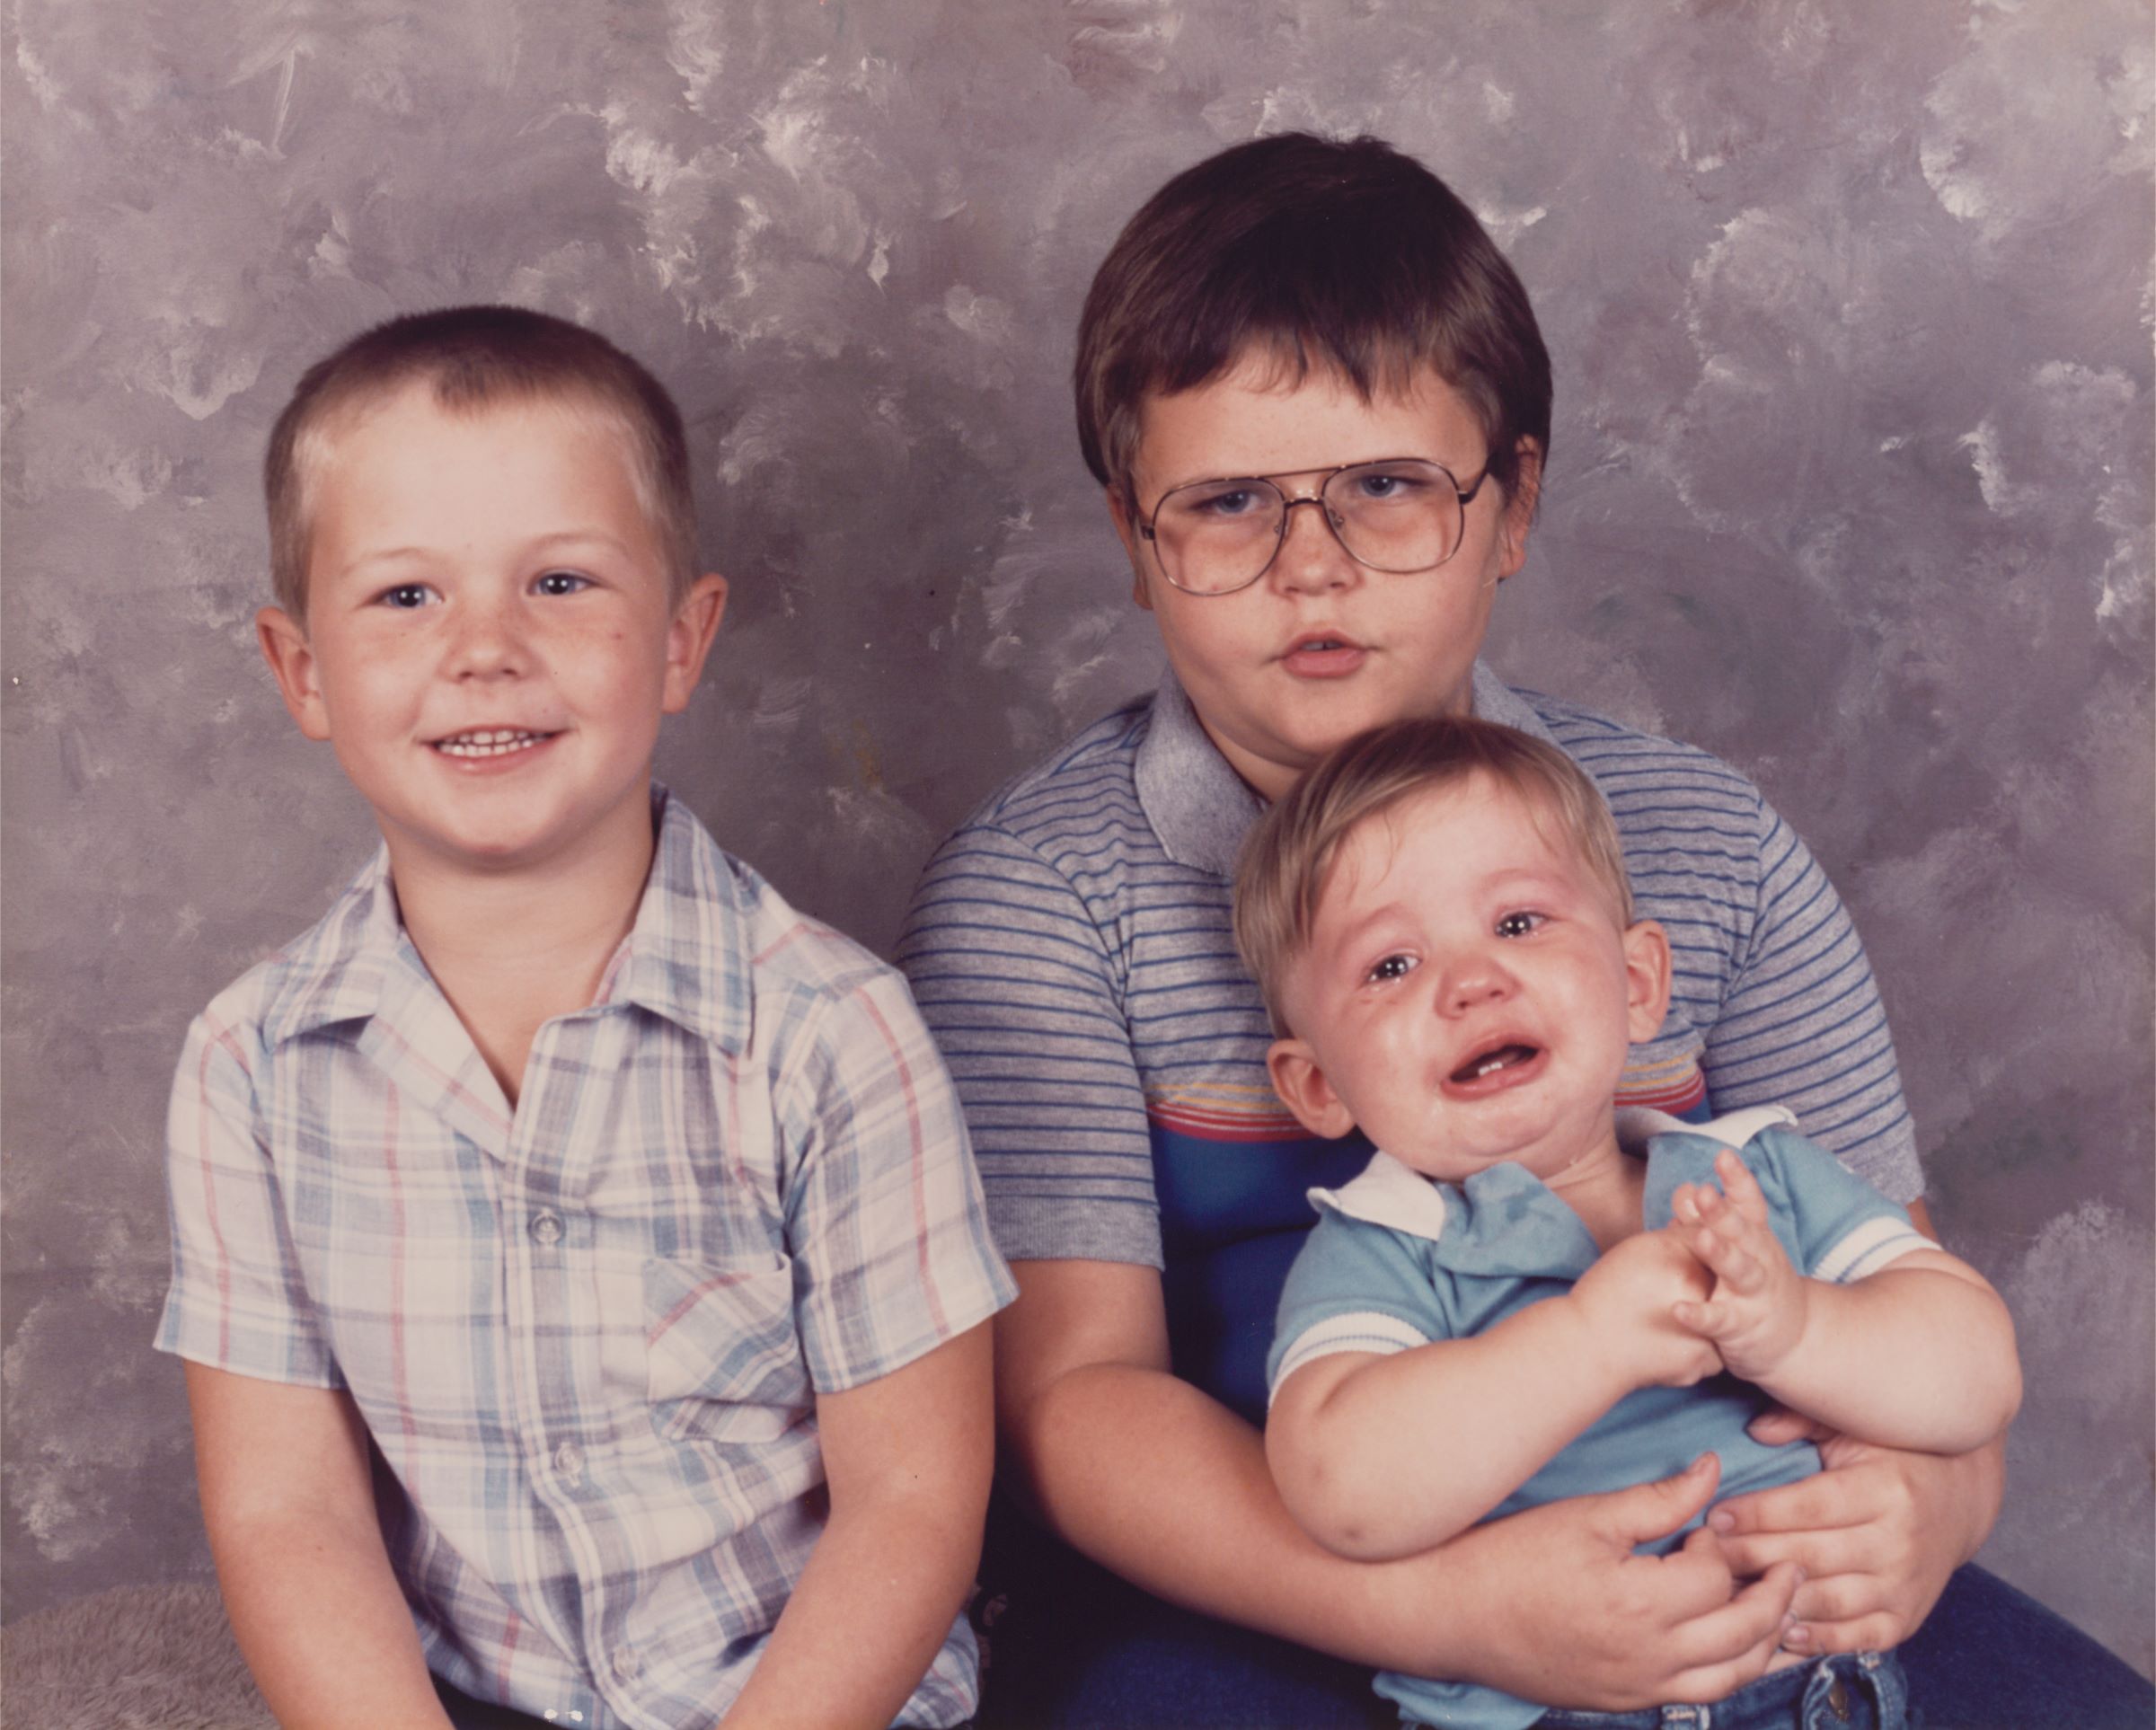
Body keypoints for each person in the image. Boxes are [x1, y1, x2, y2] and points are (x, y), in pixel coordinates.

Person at [896, 132, 2155, 1726]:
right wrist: (1445, 1611)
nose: (1311, 566)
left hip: (1732, 1553)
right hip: (1264, 1580)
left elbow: (1902, 1293)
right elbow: (1076, 1405)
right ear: (1136, 545)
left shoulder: (1704, 845)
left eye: (1385, 488)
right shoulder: (1038, 899)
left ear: (1515, 503)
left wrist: (1934, 1511)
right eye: (1226, 504)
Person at [155, 306, 1015, 1730]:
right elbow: (286, 1510)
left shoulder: (832, 1032)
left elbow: (915, 1502)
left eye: (558, 581)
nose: (485, 649)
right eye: (405, 597)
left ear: (681, 644)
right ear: (301, 670)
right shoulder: (250, 1066)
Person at [1236, 715, 2019, 1730]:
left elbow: (1977, 1373)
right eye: (1390, 966)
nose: (1471, 982)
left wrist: (1799, 1330)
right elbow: (1341, 1488)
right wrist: (1584, 1342)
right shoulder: (1387, 1244)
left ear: (1639, 981)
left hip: (1825, 1695)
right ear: (1316, 1086)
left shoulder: (1758, 1173)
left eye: (1519, 923)